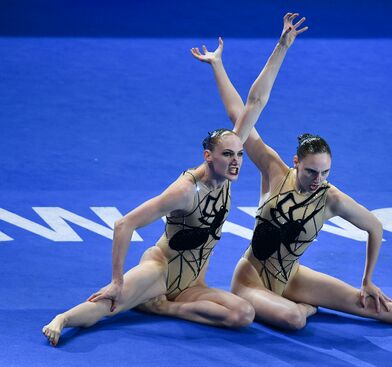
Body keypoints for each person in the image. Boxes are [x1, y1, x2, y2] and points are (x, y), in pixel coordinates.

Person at [188, 26, 392, 341]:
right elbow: (242, 111)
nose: (318, 180)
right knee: (294, 317)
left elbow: (375, 227)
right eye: (311, 172)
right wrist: (222, 64)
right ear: (297, 162)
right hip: (249, 280)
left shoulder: (331, 198)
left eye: (325, 173)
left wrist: (368, 279)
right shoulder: (273, 170)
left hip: (290, 276)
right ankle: (309, 307)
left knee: (366, 303)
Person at [41, 12, 308, 347]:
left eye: (239, 155)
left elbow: (252, 103)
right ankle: (66, 317)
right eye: (228, 155)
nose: (237, 161)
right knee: (113, 303)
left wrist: (272, 49)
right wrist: (115, 280)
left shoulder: (226, 171)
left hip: (193, 282)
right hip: (161, 271)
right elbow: (124, 224)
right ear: (208, 156)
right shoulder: (185, 190)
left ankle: (162, 309)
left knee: (243, 314)